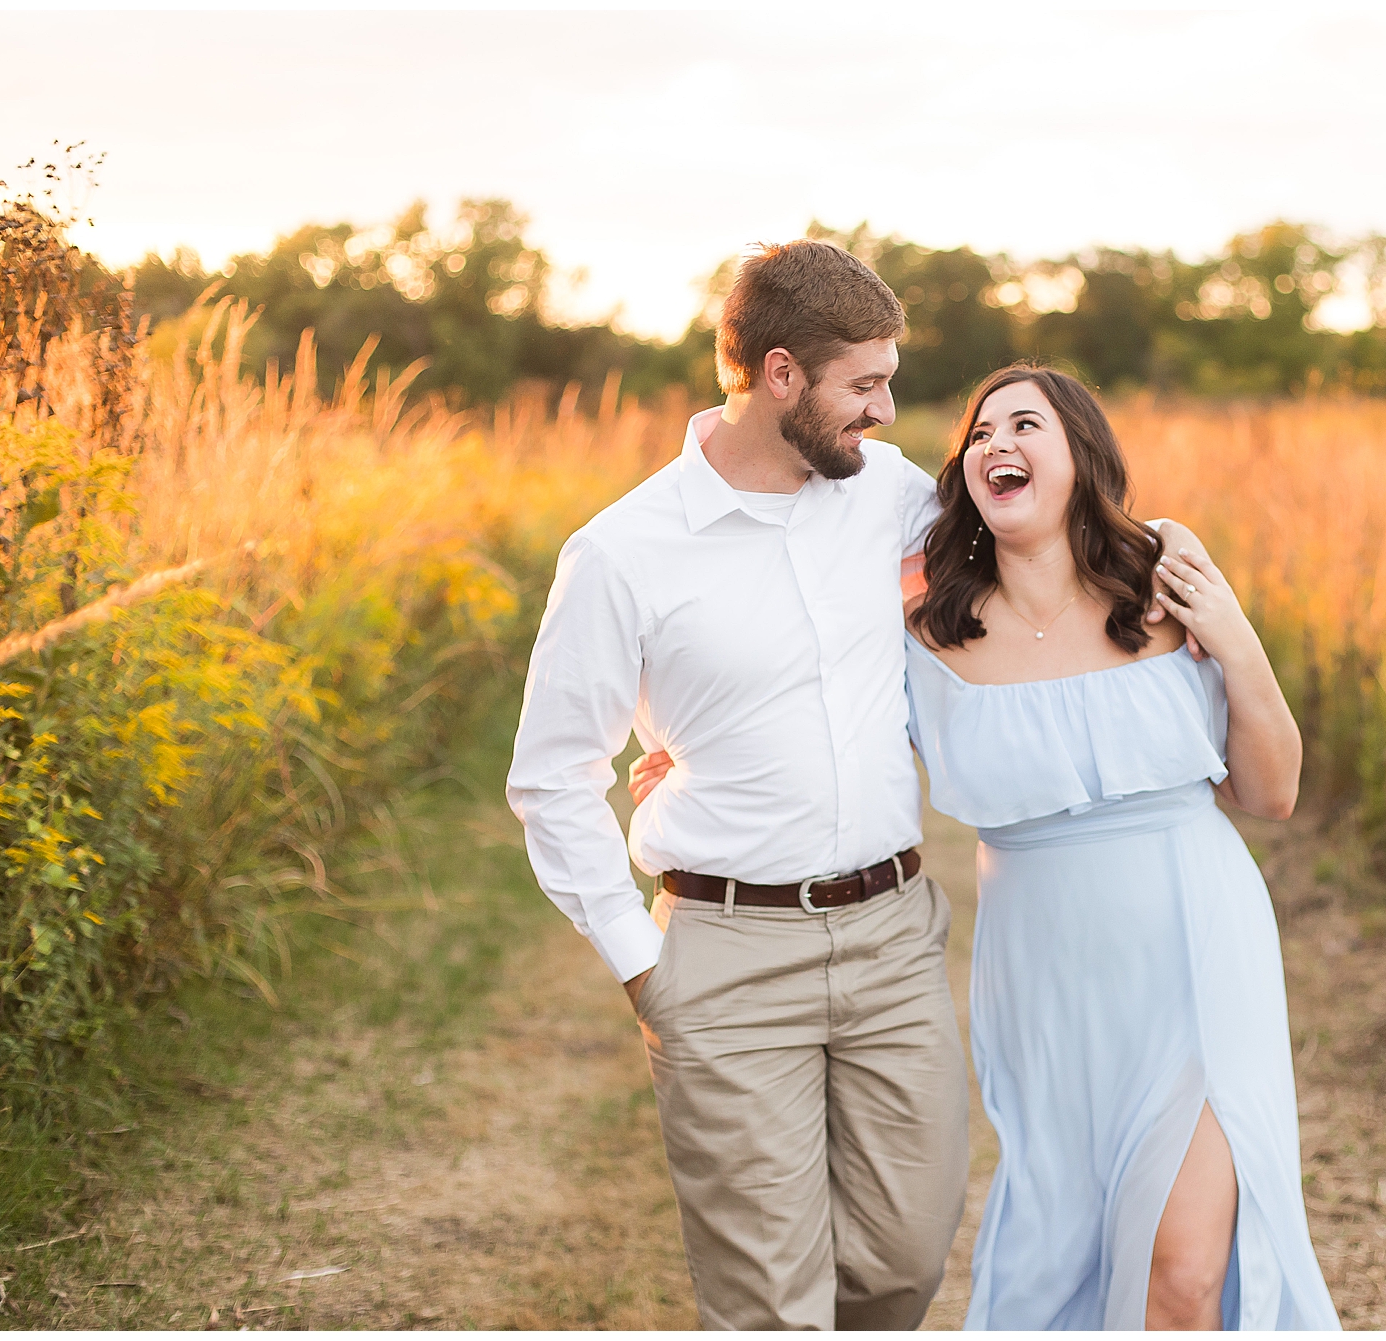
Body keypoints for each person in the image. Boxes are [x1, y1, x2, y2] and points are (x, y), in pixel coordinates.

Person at [508, 242, 1200, 1330]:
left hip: (891, 941)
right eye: (863, 384)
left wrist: (1159, 571)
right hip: (724, 955)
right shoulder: (621, 553)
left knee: (900, 1264)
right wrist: (644, 967)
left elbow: (1030, 568)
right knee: (774, 1302)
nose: (885, 409)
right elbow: (552, 778)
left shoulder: (892, 498)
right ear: (779, 374)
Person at [902, 365, 1341, 1330]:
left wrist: (1235, 636)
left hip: (1196, 950)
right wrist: (691, 757)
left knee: (1183, 1271)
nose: (996, 444)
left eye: (1026, 424)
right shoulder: (925, 637)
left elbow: (1271, 791)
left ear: (1082, 458)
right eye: (980, 433)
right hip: (1043, 980)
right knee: (1066, 1251)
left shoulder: (1167, 590)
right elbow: (821, 736)